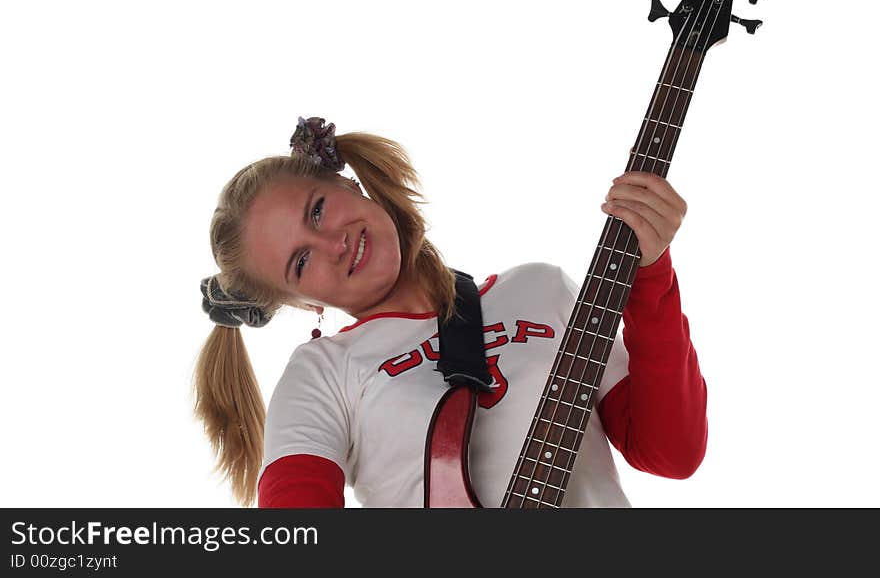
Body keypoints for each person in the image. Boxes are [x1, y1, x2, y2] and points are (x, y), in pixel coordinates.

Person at [194, 116, 707, 508]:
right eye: (301, 261)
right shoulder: (322, 374)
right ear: (304, 302)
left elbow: (671, 452)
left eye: (317, 210)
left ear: (348, 186)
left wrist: (651, 271)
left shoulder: (541, 288)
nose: (334, 243)